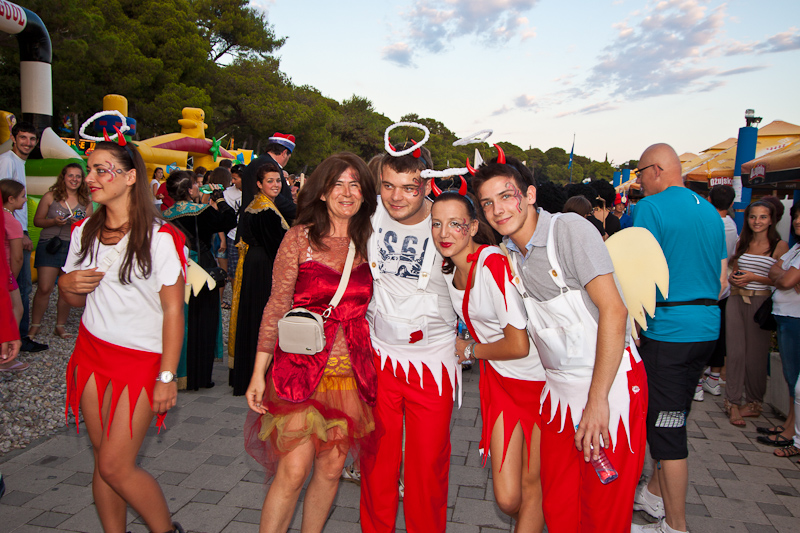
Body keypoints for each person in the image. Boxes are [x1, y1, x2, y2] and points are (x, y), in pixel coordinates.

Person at [473, 150, 646, 533]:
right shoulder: (511, 253)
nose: (498, 209)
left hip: (608, 389)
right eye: (487, 202)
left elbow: (614, 312)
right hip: (558, 396)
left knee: (601, 514)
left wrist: (597, 401)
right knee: (558, 506)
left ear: (530, 194)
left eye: (506, 195)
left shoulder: (568, 229)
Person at [244, 152, 378, 533]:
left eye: (356, 184)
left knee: (333, 467)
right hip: (299, 368)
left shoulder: (370, 240)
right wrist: (258, 372)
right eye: (339, 184)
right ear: (321, 191)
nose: (348, 192)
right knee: (293, 468)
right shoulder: (298, 238)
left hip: (350, 371)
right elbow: (276, 306)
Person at [58, 139, 186, 533]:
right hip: (92, 354)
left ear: (131, 177)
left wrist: (167, 377)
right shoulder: (82, 232)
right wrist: (67, 285)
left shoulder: (161, 238)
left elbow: (173, 311)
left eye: (102, 170)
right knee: (103, 460)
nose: (91, 178)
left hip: (141, 362)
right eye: (90, 169)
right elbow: (78, 301)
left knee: (116, 464)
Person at [359, 142, 460, 533]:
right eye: (387, 186)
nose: (396, 197)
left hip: (431, 362)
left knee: (426, 471)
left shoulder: (447, 221)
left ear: (427, 184)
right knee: (376, 464)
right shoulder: (367, 216)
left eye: (409, 187)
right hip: (378, 358)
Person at [432, 188, 545, 531]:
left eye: (455, 224)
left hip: (541, 386)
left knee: (531, 487)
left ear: (472, 226)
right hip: (500, 386)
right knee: (508, 498)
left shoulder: (492, 263)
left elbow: (518, 345)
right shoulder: (449, 269)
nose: (444, 233)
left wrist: (467, 349)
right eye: (436, 224)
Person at [631, 143, 727, 533]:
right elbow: (722, 278)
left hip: (669, 331)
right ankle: (654, 494)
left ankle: (675, 525)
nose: (638, 183)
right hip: (706, 328)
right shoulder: (710, 212)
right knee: (675, 415)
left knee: (667, 432)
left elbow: (634, 275)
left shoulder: (650, 209)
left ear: (656, 170)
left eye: (639, 174)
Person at [163, 171, 236, 390]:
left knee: (181, 320)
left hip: (177, 269)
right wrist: (219, 198)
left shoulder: (165, 215)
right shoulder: (201, 212)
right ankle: (200, 376)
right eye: (195, 184)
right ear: (189, 190)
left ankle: (179, 372)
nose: (198, 187)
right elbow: (229, 219)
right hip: (202, 270)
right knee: (203, 322)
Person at [724, 201, 787, 425]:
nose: (757, 221)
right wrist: (735, 277)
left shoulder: (780, 246)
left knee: (756, 356)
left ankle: (753, 402)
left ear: (771, 219)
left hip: (760, 302)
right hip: (735, 298)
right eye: (752, 217)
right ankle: (732, 402)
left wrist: (753, 277)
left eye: (762, 217)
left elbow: (783, 280)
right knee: (735, 352)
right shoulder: (743, 242)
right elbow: (733, 267)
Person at [228, 161, 288, 396]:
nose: (275, 185)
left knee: (254, 317)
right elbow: (278, 247)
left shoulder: (262, 205)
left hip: (255, 266)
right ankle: (258, 375)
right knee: (262, 319)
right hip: (262, 267)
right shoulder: (264, 210)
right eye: (270, 181)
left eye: (278, 181)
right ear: (259, 184)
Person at [29, 163, 93, 340]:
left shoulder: (86, 200)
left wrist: (78, 224)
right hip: (50, 244)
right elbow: (38, 221)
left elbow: (89, 226)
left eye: (78, 176)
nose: (74, 179)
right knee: (44, 287)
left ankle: (60, 326)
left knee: (66, 288)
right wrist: (54, 222)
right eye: (70, 175)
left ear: (82, 179)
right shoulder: (50, 196)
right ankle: (35, 325)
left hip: (73, 247)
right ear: (63, 177)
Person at [0, 122, 46, 352]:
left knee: (20, 287)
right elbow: (4, 200)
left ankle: (15, 337)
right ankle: (16, 338)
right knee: (19, 286)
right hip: (13, 233)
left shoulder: (18, 162)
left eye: (32, 139)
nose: (28, 143)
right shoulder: (7, 161)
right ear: (13, 137)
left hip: (16, 230)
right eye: (23, 138)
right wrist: (18, 233)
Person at [694, 185, 738, 401]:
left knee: (700, 336)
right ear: (731, 204)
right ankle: (713, 379)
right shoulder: (732, 226)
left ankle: (698, 383)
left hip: (703, 288)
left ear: (709, 200)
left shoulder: (707, 224)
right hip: (724, 289)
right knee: (718, 335)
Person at [766, 204, 800, 453]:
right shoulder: (796, 248)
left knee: (795, 378)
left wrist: (784, 276)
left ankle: (792, 431)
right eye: (796, 217)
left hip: (795, 318)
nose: (797, 221)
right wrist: (784, 276)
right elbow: (773, 271)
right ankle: (790, 422)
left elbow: (785, 279)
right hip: (785, 316)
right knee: (791, 378)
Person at [240, 132, 297, 225]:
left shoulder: (255, 162)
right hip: (264, 227)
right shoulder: (270, 167)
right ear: (284, 153)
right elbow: (275, 198)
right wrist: (300, 211)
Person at [0, 179, 26, 371]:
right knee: (15, 310)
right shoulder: (11, 221)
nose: (25, 200)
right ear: (11, 199)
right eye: (23, 196)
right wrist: (12, 279)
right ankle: (6, 355)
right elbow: (17, 257)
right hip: (6, 273)